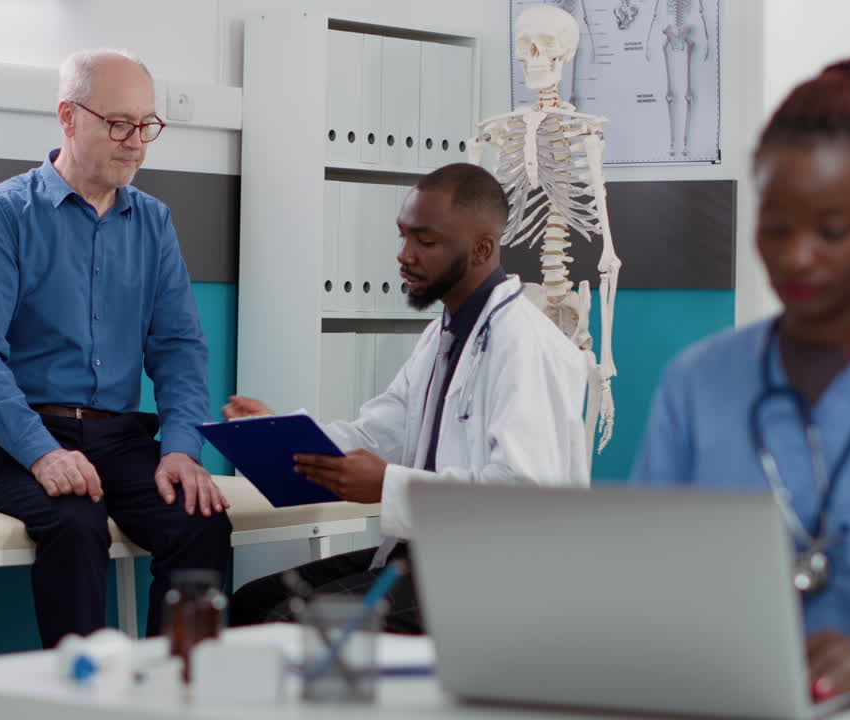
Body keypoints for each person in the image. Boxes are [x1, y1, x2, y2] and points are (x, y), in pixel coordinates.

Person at [226, 163, 589, 633]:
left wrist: (388, 486)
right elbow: (379, 433)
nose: (405, 256)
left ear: (482, 248)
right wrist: (284, 438)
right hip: (429, 553)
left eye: (426, 241)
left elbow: (521, 500)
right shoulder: (445, 333)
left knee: (290, 625)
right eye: (403, 237)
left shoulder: (526, 347)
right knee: (251, 603)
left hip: (499, 575)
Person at [0, 49, 231, 648]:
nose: (136, 142)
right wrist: (41, 453)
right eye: (118, 123)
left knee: (200, 521)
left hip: (117, 438)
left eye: (147, 125)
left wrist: (181, 449)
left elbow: (180, 350)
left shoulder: (154, 222)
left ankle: (169, 691)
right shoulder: (5, 211)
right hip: (11, 442)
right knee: (76, 525)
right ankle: (81, 700)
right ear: (68, 117)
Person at [632, 58, 850, 702]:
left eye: (832, 231)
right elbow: (644, 580)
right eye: (776, 227)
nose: (797, 255)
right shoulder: (698, 381)